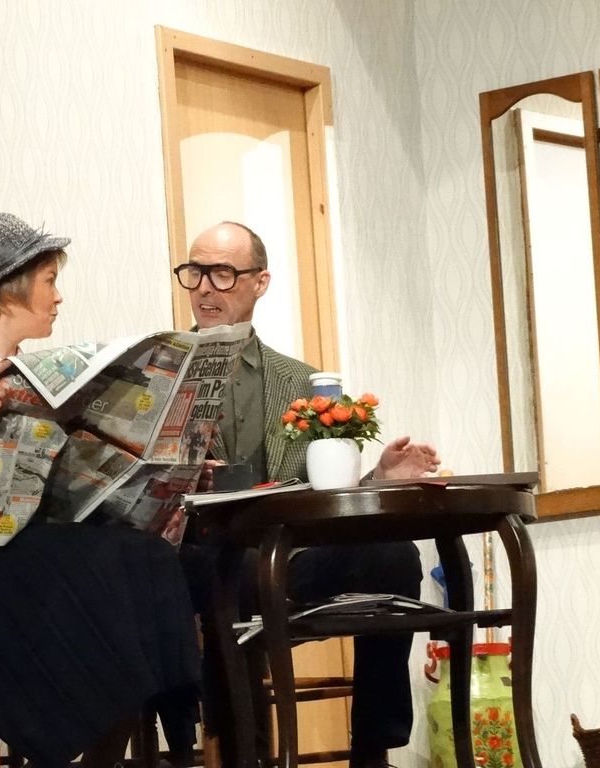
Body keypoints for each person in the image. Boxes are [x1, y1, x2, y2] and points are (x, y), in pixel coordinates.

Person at [0, 213, 200, 767]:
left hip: (33, 540)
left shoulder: (42, 371)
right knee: (110, 568)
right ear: (8, 287)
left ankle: (113, 752)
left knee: (145, 555)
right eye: (49, 280)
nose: (58, 297)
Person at [167, 221, 440, 768]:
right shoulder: (158, 372)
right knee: (235, 576)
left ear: (260, 282)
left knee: (394, 556)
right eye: (194, 272)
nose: (205, 287)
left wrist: (377, 479)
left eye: (223, 273)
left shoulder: (302, 383)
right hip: (198, 557)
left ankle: (373, 750)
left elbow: (324, 494)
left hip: (285, 556)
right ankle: (246, 755)